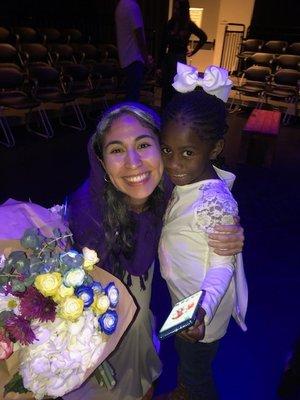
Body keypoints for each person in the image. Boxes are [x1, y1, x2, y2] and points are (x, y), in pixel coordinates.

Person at [64, 102, 244, 400]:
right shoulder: (88, 217)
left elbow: (209, 190)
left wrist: (231, 231)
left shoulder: (167, 186)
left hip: (167, 317)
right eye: (117, 149)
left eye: (144, 144)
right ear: (101, 159)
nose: (134, 162)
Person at [158, 89, 248, 400]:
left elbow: (224, 268)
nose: (173, 164)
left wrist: (202, 312)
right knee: (187, 360)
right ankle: (184, 388)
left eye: (187, 153)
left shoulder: (214, 203)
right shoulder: (187, 181)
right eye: (166, 150)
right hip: (185, 302)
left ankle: (191, 391)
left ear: (215, 148)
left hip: (201, 315)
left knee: (198, 374)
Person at [159, 0, 207, 108]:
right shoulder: (170, 24)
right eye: (174, 8)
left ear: (183, 10)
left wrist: (194, 51)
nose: (175, 11)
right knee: (166, 90)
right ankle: (164, 116)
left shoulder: (188, 25)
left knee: (176, 90)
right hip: (170, 59)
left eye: (178, 9)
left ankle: (173, 117)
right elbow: (162, 45)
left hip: (179, 60)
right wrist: (160, 65)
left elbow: (203, 37)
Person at [115, 0, 148, 101]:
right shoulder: (132, 6)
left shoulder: (120, 6)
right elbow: (138, 35)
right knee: (133, 99)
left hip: (125, 58)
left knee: (130, 96)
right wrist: (146, 58)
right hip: (134, 59)